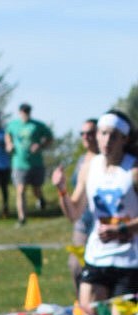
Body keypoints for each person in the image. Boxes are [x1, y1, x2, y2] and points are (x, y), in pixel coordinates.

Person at [53, 110, 138, 315]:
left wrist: (123, 229)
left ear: (125, 139)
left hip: (130, 261)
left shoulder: (134, 170)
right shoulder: (90, 166)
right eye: (102, 133)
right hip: (96, 257)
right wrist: (61, 188)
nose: (105, 140)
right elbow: (75, 212)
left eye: (113, 135)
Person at [6, 103, 53, 226]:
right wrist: (9, 144)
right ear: (19, 112)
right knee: (20, 190)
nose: (25, 114)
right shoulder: (13, 125)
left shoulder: (37, 125)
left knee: (36, 189)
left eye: (27, 112)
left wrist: (40, 145)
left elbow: (50, 138)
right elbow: (7, 135)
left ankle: (40, 198)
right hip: (19, 163)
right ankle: (22, 218)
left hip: (35, 163)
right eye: (23, 111)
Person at [67, 119, 100, 290]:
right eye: (83, 133)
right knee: (75, 265)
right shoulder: (81, 160)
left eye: (90, 133)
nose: (86, 137)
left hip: (100, 222)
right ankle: (81, 306)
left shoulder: (106, 159)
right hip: (81, 221)